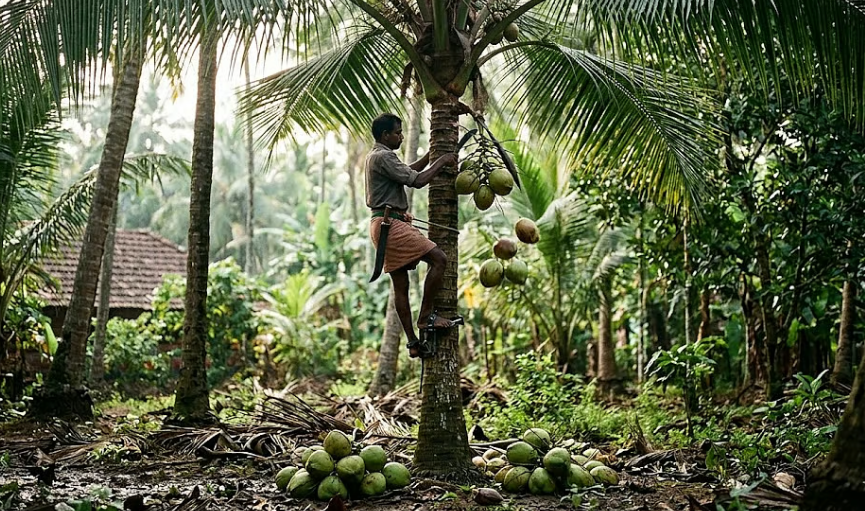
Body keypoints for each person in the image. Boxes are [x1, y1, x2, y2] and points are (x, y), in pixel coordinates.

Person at [366, 113, 459, 357]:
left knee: (401, 286)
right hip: (390, 225)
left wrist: (432, 155)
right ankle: (426, 315)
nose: (401, 136)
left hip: (383, 222)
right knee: (439, 259)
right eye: (398, 132)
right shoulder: (384, 155)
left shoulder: (376, 156)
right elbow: (416, 181)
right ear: (385, 135)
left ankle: (413, 344)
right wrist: (443, 161)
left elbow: (407, 170)